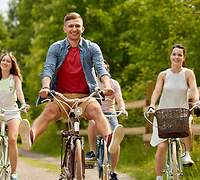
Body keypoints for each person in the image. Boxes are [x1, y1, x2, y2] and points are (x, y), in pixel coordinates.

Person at [19, 12, 124, 156]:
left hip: (85, 97)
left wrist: (106, 86)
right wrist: (45, 87)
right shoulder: (56, 48)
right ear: (65, 29)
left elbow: (101, 69)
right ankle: (30, 136)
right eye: (70, 26)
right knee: (48, 111)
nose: (74, 29)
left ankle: (110, 140)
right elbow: (48, 69)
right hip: (62, 97)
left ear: (82, 29)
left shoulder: (92, 48)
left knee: (97, 111)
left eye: (77, 26)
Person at [148, 44, 200, 180]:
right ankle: (159, 178)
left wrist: (197, 100)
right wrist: (152, 105)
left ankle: (186, 154)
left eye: (180, 55)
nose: (176, 57)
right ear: (170, 56)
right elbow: (156, 91)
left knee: (188, 124)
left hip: (181, 113)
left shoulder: (188, 73)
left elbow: (194, 89)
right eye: (174, 54)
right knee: (162, 146)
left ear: (183, 58)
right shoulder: (163, 75)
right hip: (164, 115)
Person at [85, 60, 128, 180]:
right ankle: (92, 151)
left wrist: (123, 109)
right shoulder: (92, 83)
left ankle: (113, 172)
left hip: (110, 113)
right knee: (92, 123)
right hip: (95, 113)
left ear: (108, 71)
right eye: (100, 68)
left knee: (115, 138)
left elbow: (119, 99)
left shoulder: (114, 84)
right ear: (96, 71)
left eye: (105, 68)